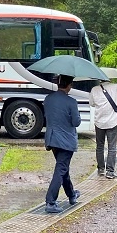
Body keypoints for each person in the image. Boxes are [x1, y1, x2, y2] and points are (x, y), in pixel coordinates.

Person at [43, 75, 81, 213]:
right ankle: (50, 202)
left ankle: (71, 195)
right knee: (61, 169)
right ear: (69, 85)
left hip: (52, 139)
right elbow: (76, 122)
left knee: (62, 168)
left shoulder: (48, 99)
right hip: (66, 140)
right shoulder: (71, 102)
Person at [89, 79, 117, 178]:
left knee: (99, 146)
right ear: (109, 80)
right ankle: (110, 172)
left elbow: (91, 104)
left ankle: (100, 169)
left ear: (100, 80)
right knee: (112, 147)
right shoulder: (116, 87)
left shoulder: (94, 89)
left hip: (99, 121)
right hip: (112, 121)